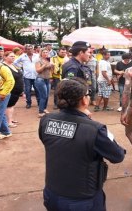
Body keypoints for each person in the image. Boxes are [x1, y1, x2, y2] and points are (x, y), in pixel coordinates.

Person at [39, 78, 125, 211]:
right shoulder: (94, 129)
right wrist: (92, 123)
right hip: (82, 200)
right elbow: (118, 155)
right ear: (84, 100)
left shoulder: (46, 120)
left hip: (52, 194)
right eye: (87, 94)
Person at [14, 44, 40, 109]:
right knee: (27, 90)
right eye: (28, 49)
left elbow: (42, 61)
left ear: (33, 49)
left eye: (31, 48)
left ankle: (39, 102)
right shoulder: (23, 56)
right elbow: (15, 62)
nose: (30, 50)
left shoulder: (37, 56)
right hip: (27, 76)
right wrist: (20, 67)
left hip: (36, 75)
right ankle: (28, 103)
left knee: (37, 90)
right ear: (26, 50)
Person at [3, 51, 24, 128]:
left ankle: (10, 119)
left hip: (17, 90)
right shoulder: (3, 66)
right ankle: (9, 122)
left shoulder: (13, 65)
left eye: (13, 56)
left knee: (11, 106)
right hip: (10, 90)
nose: (13, 57)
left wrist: (21, 90)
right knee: (9, 106)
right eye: (11, 56)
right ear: (5, 57)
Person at [35, 48, 54, 118]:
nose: (45, 53)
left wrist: (52, 66)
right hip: (40, 79)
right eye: (44, 52)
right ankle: (40, 112)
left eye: (47, 52)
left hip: (47, 79)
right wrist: (44, 65)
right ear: (41, 53)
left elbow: (52, 71)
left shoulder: (48, 60)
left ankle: (44, 109)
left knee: (47, 96)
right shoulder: (38, 60)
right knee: (43, 96)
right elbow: (38, 70)